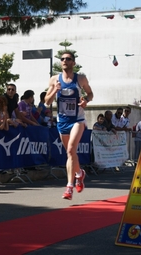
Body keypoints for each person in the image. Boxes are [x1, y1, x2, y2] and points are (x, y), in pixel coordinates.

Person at [44, 51, 93, 200]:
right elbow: (47, 101)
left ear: (73, 62)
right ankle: (79, 174)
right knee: (71, 154)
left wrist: (86, 100)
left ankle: (69, 187)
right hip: (62, 121)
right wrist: (54, 90)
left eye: (68, 59)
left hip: (77, 120)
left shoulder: (81, 78)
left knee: (71, 150)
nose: (65, 61)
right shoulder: (54, 79)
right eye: (63, 59)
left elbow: (90, 94)